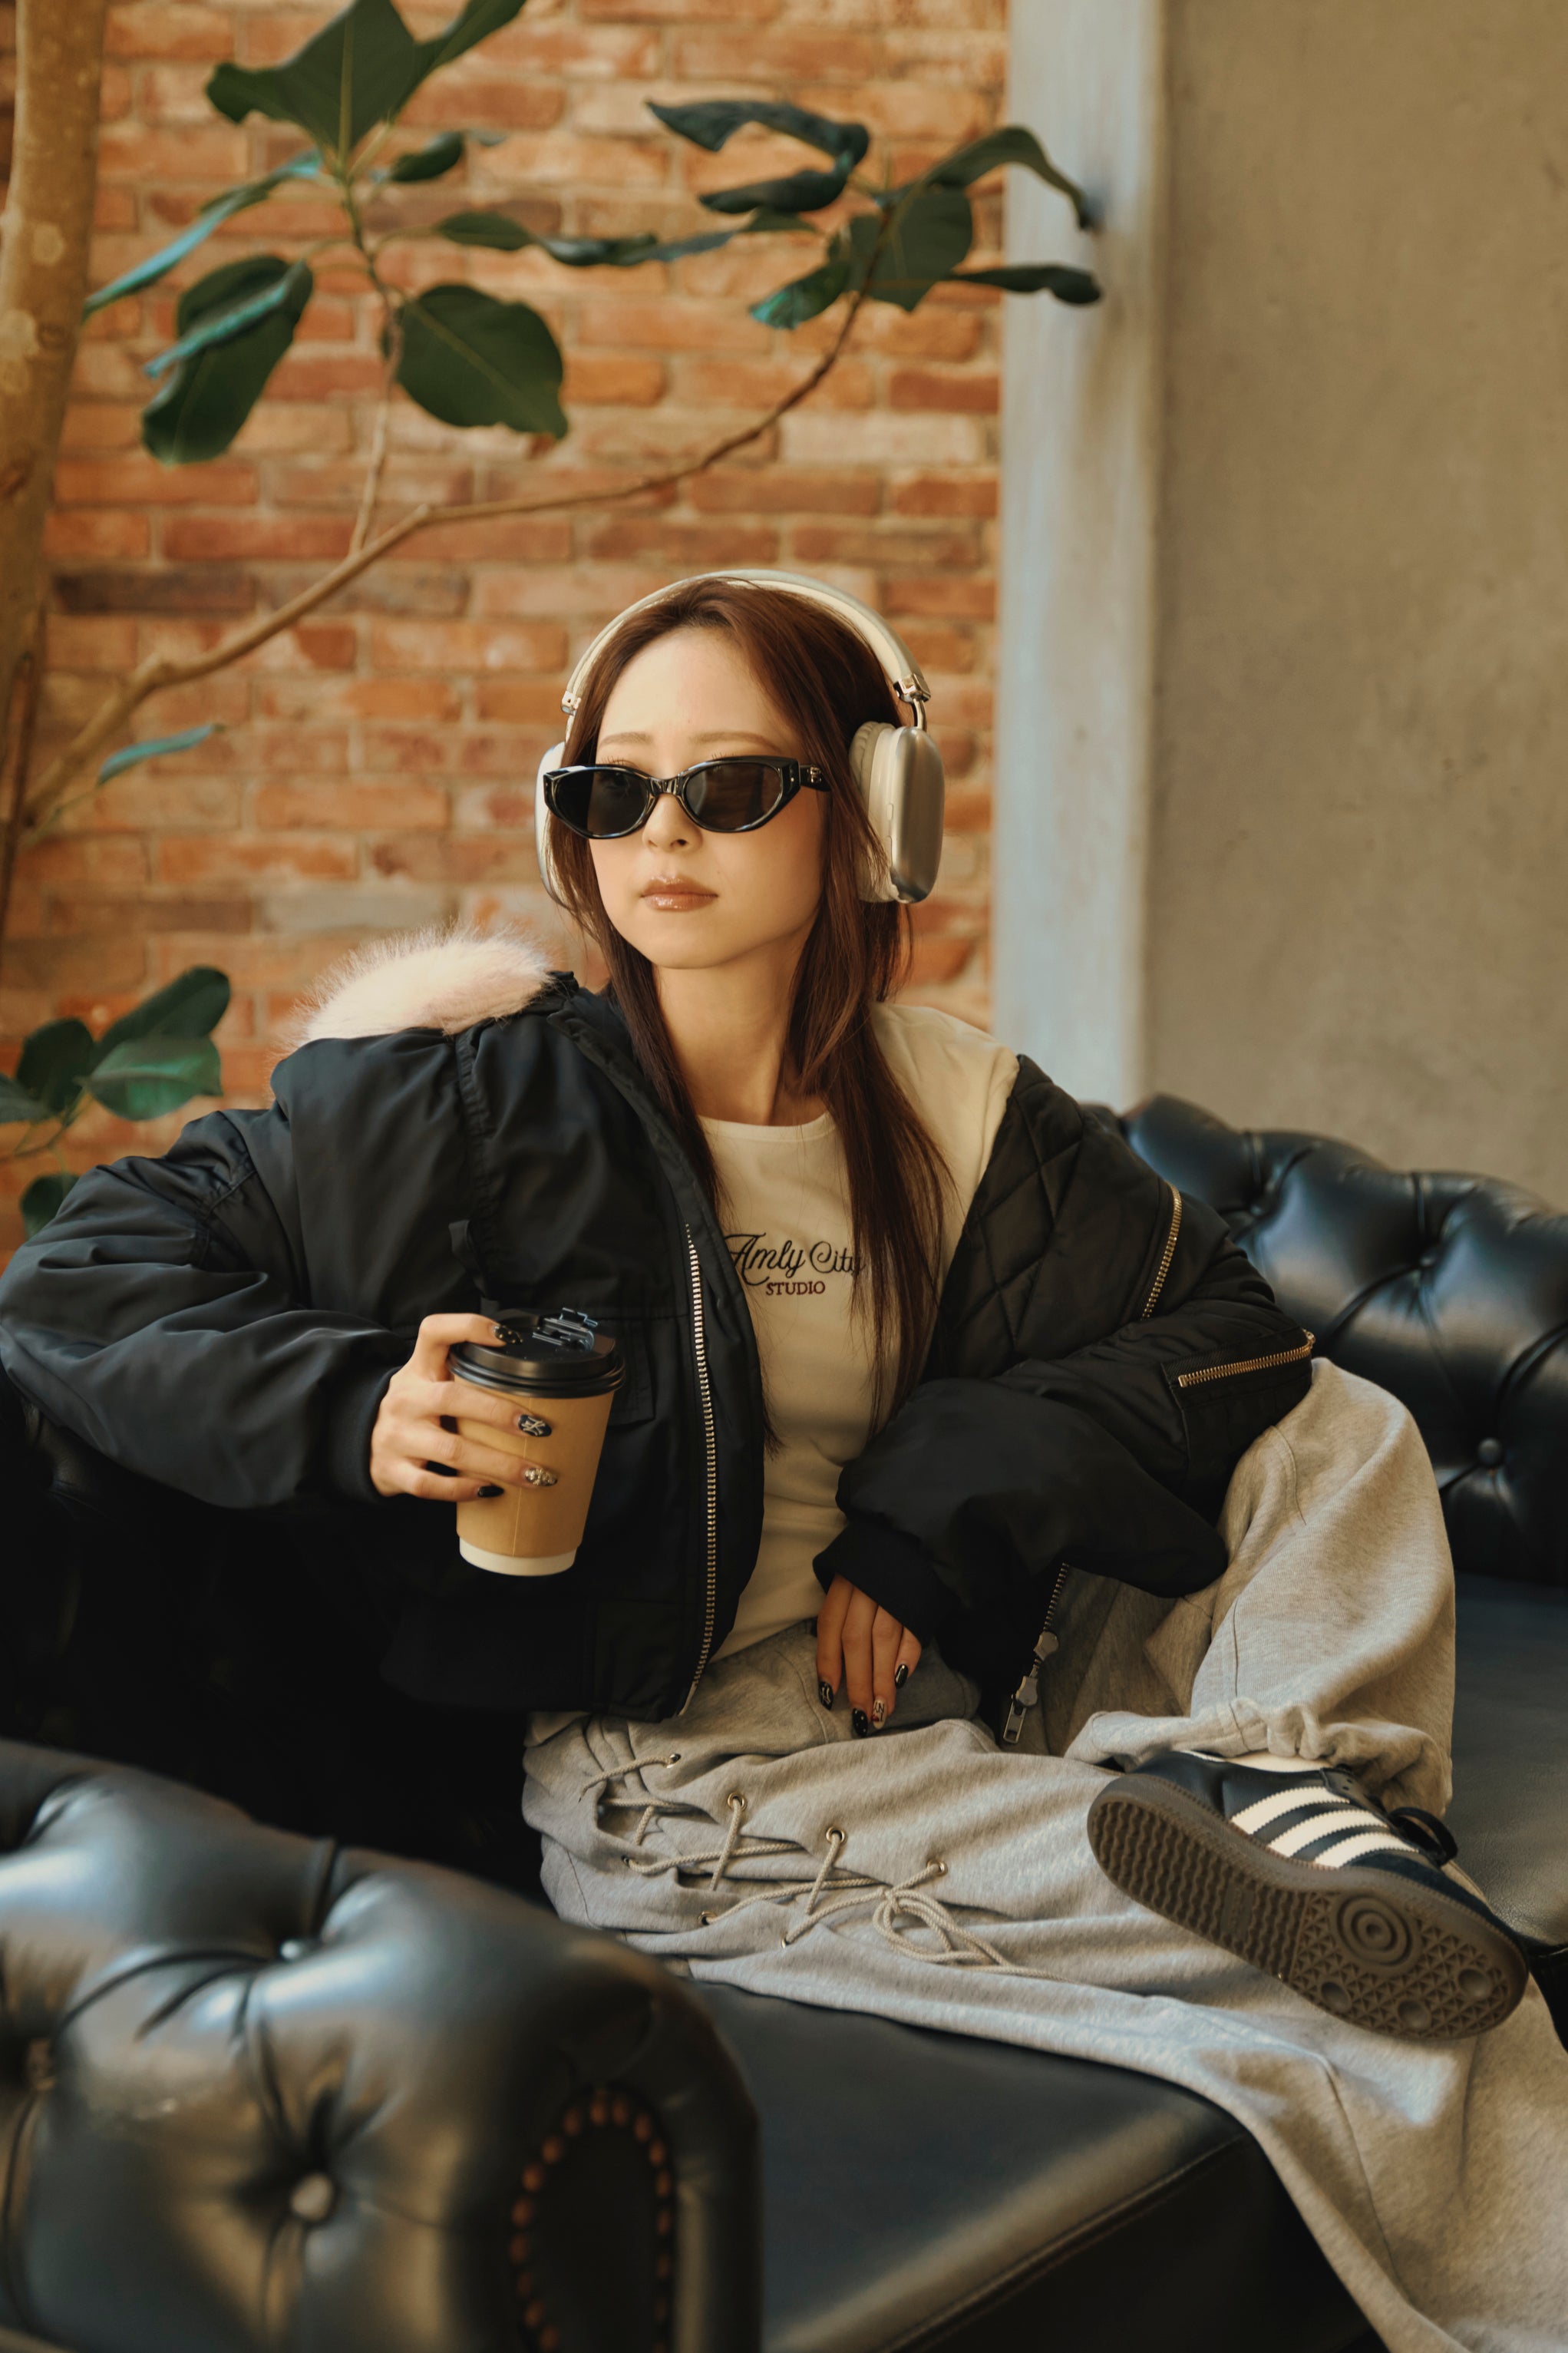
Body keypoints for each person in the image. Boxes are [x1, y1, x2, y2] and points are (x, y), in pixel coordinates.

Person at [1, 573, 1563, 2351]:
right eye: (614, 791)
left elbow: (1219, 1324)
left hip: (962, 1671)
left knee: (1329, 1421)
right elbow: (76, 1275)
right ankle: (1305, 1892)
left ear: (870, 812)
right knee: (1393, 1987)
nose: (661, 834)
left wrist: (930, 1515)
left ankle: (1284, 1789)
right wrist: (352, 1405)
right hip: (697, 1778)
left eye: (730, 788)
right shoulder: (460, 1106)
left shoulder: (953, 1111)